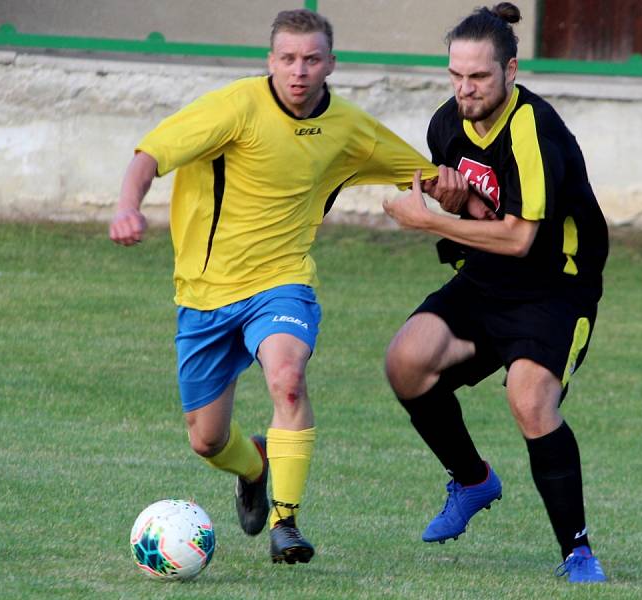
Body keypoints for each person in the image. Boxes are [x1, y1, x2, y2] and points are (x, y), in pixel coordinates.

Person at [110, 8, 436, 565]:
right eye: (288, 58)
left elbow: (423, 173)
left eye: (312, 59)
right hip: (205, 294)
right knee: (207, 440)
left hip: (283, 282)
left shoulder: (349, 128)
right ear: (270, 62)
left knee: (287, 378)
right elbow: (150, 155)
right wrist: (126, 208)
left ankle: (287, 521)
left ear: (331, 63)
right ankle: (255, 466)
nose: (299, 71)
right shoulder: (234, 108)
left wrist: (464, 195)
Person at [382, 3, 609, 584]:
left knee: (531, 402)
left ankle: (578, 552)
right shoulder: (447, 124)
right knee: (406, 361)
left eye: (479, 77)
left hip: (555, 288)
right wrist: (452, 202)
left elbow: (519, 236)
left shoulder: (533, 128)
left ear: (511, 70)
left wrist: (429, 221)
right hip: (486, 281)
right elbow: (481, 207)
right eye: (456, 76)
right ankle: (473, 479)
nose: (466, 89)